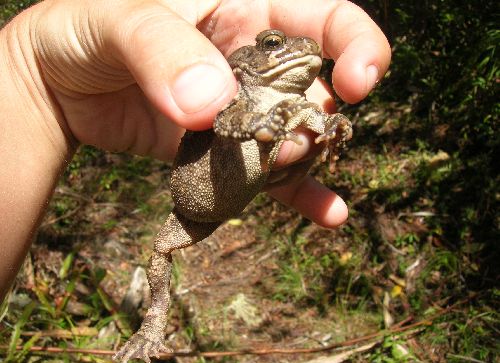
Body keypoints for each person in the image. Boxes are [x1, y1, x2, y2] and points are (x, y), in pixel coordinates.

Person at [0, 0, 391, 302]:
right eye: (272, 44)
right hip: (191, 212)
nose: (300, 50)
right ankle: (153, 323)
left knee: (316, 120)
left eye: (310, 54)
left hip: (230, 200)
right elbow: (225, 124)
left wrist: (336, 127)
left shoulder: (299, 106)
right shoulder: (234, 98)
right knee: (160, 252)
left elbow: (324, 123)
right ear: (243, 63)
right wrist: (262, 125)